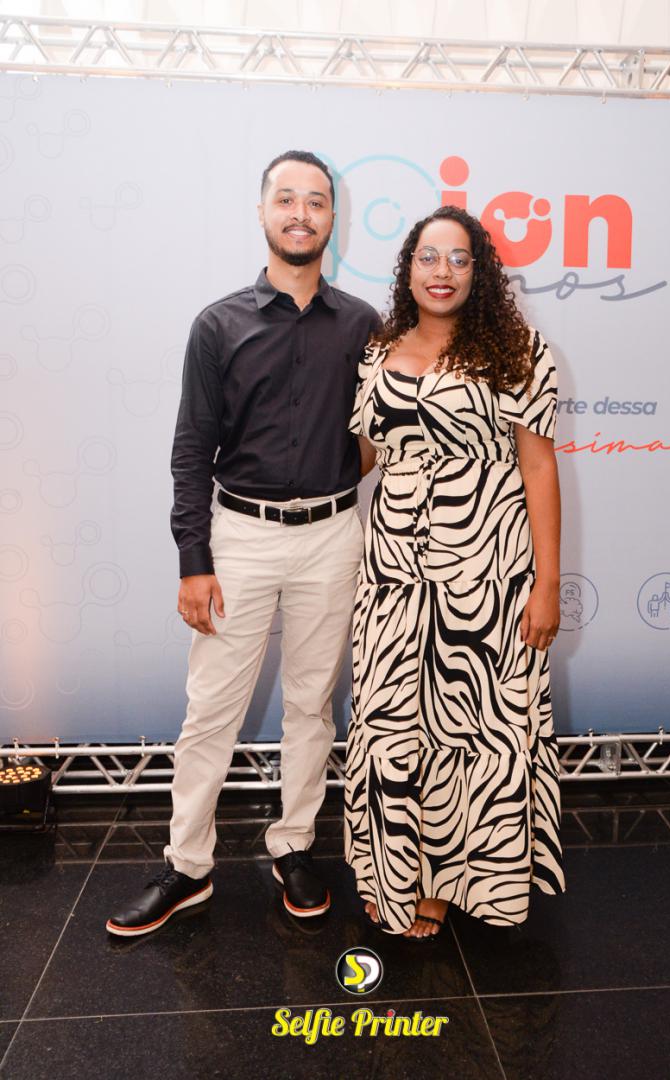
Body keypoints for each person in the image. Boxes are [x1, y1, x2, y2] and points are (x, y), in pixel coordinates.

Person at [106, 150, 380, 936]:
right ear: (263, 213)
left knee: (312, 707)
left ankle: (293, 846)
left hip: (332, 537)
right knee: (210, 712)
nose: (301, 213)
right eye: (286, 199)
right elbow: (192, 449)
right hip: (240, 539)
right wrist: (194, 561)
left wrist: (333, 478)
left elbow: (376, 435)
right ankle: (187, 867)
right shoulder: (218, 324)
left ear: (333, 219)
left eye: (316, 201)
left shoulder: (363, 325)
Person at [344, 205, 566, 939]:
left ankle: (445, 888)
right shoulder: (378, 353)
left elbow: (539, 469)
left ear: (480, 272)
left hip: (487, 578)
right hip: (393, 577)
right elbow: (365, 456)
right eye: (429, 257)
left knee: (469, 731)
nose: (442, 272)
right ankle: (393, 876)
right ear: (408, 269)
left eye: (459, 259)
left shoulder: (517, 351)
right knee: (390, 724)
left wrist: (547, 584)